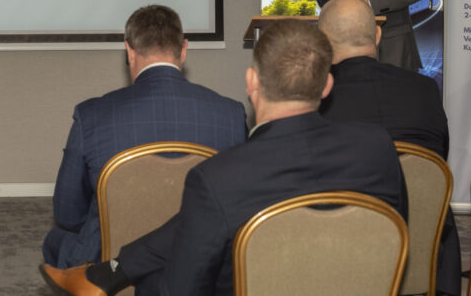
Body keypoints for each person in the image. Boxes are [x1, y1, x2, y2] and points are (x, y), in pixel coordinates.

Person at [39, 19, 406, 296]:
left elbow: (182, 288)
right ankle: (108, 272)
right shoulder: (377, 147)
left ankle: (109, 273)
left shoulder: (220, 177)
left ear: (251, 82)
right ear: (327, 85)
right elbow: (395, 234)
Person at [43, 4, 247, 269]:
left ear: (129, 51)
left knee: (57, 240)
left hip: (113, 263)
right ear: (184, 49)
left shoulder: (91, 115)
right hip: (201, 262)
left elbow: (68, 214)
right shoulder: (231, 114)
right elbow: (240, 203)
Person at [317, 0, 460, 296]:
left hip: (343, 264)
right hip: (428, 258)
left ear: (322, 42)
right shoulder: (425, 90)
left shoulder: (316, 100)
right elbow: (437, 162)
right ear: (378, 35)